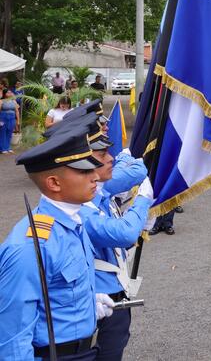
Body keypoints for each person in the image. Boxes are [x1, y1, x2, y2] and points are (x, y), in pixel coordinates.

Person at [0, 128, 115, 360]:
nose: (95, 176)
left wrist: (87, 305)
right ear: (54, 183)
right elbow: (12, 338)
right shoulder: (31, 247)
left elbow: (57, 293)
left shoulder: (75, 221)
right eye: (85, 171)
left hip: (84, 350)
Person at [76, 114, 153, 361]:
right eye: (101, 155)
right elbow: (125, 233)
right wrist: (142, 200)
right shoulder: (83, 206)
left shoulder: (99, 193)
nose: (110, 158)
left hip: (113, 294)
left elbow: (136, 167)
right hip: (101, 301)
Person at [0, 88, 20, 153]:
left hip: (12, 118)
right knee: (3, 133)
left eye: (10, 92)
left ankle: (8, 147)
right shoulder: (1, 101)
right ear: (4, 94)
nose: (10, 93)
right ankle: (3, 148)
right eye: (8, 92)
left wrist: (18, 121)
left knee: (9, 133)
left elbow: (17, 111)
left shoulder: (14, 101)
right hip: (3, 118)